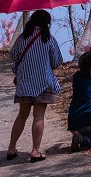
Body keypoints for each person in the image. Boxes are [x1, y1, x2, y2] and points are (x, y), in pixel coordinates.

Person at [7, 9, 63, 162]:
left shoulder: (22, 38)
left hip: (25, 83)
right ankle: (35, 151)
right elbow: (57, 61)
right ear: (47, 23)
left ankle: (11, 148)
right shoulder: (49, 39)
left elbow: (13, 57)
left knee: (22, 115)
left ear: (31, 20)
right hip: (43, 83)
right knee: (38, 116)